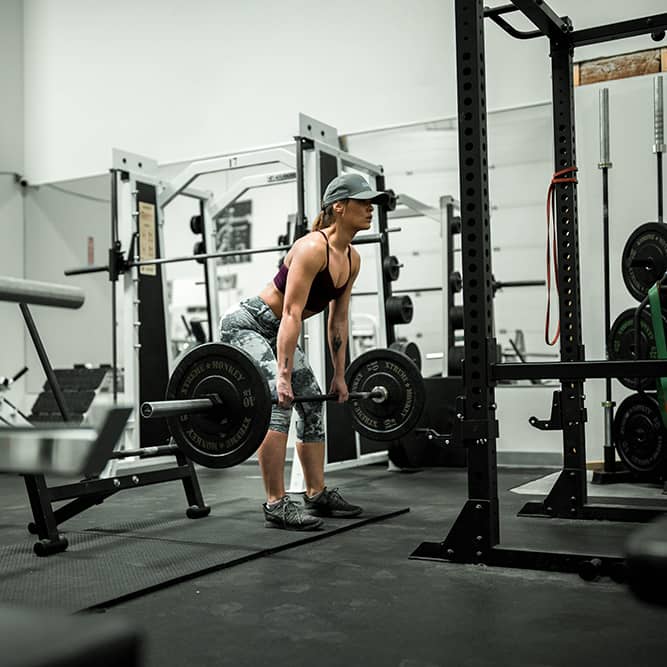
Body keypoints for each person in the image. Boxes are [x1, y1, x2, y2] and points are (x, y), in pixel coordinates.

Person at [220, 173, 389, 530]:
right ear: (338, 207)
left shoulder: (352, 259)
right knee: (278, 405)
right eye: (363, 202)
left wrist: (340, 375)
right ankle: (276, 503)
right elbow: (292, 313)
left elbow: (337, 323)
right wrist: (281, 377)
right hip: (249, 324)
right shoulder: (313, 247)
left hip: (278, 329)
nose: (370, 208)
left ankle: (315, 493)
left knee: (311, 401)